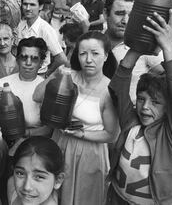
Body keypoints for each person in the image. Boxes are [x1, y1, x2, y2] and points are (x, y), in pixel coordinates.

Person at [106, 10, 172, 205]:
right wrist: (137, 48)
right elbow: (118, 88)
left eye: (156, 102)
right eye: (141, 99)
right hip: (118, 198)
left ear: (168, 108)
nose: (145, 107)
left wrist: (168, 47)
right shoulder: (131, 121)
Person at [34, 31, 119, 205]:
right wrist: (55, 75)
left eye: (95, 53)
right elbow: (37, 96)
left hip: (90, 153)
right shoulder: (68, 77)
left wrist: (82, 134)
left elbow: (111, 135)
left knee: (85, 199)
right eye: (83, 53)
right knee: (54, 197)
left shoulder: (109, 90)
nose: (88, 59)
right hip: (59, 144)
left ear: (106, 56)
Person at [104, 0, 164, 101]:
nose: (125, 21)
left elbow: (166, 78)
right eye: (119, 13)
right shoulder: (92, 41)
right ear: (105, 13)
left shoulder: (145, 45)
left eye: (131, 15)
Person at [0, 37, 53, 143]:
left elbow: (49, 129)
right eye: (24, 57)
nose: (28, 63)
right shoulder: (2, 84)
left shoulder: (46, 88)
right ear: (17, 59)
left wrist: (25, 133)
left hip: (34, 145)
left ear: (41, 63)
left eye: (34, 58)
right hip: (6, 144)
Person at [17, 0, 68, 76]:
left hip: (39, 75)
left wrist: (47, 74)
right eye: (25, 4)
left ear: (40, 6)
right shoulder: (21, 25)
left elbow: (61, 58)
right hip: (21, 74)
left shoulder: (46, 29)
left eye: (32, 5)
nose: (28, 8)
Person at [7, 136, 65, 205]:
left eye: (39, 177)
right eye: (20, 173)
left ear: (58, 180)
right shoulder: (11, 184)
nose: (27, 187)